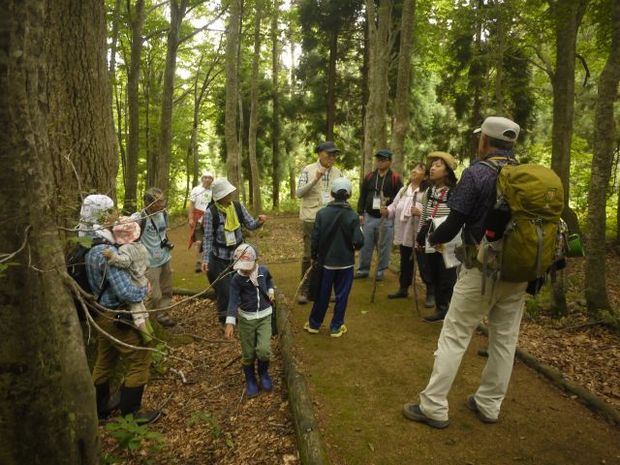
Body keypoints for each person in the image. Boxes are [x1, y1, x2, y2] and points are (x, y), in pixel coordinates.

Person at [402, 116, 524, 428]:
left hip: (481, 267)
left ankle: (432, 406)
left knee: (455, 334)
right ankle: (489, 405)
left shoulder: (477, 174)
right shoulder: (524, 173)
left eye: (479, 137)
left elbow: (454, 223)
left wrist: (433, 237)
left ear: (485, 140)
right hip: (519, 270)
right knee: (504, 340)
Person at [82, 195, 160, 425]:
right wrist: (143, 291)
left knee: (105, 360)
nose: (115, 215)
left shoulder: (87, 241)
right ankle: (132, 415)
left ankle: (100, 409)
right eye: (110, 211)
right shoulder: (104, 250)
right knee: (141, 356)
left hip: (100, 311)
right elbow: (125, 291)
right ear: (101, 215)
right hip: (117, 313)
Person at [303, 177, 364, 337]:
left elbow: (315, 238)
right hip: (345, 263)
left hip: (326, 262)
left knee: (322, 294)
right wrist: (354, 247)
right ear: (349, 195)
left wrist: (315, 256)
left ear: (332, 193)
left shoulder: (322, 214)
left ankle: (314, 325)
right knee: (341, 295)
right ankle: (336, 327)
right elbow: (358, 241)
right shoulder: (353, 216)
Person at [201, 178, 266, 324]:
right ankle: (226, 321)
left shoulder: (237, 207)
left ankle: (247, 314)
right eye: (227, 192)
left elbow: (250, 225)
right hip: (219, 258)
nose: (230, 194)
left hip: (239, 256)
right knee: (225, 291)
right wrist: (205, 259)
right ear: (219, 196)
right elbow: (207, 238)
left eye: (230, 191)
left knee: (244, 285)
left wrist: (259, 222)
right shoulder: (210, 213)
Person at [224, 243, 276, 398]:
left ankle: (263, 373)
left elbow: (269, 281)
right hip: (246, 319)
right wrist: (230, 322)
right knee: (248, 353)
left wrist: (271, 291)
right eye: (242, 266)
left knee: (264, 350)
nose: (245, 269)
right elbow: (232, 301)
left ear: (255, 261)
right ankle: (250, 379)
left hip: (265, 316)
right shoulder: (237, 279)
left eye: (248, 265)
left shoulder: (263, 271)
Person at [296, 141, 343, 304]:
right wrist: (315, 180)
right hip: (311, 218)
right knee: (309, 255)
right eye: (328, 153)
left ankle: (326, 289)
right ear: (319, 153)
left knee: (329, 255)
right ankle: (305, 288)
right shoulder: (308, 170)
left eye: (334, 154)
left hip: (331, 219)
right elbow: (299, 193)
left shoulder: (338, 173)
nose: (332, 157)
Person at [416, 152, 459, 323]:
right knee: (433, 272)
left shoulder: (454, 193)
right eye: (432, 165)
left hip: (448, 242)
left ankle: (450, 310)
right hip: (430, 238)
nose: (432, 168)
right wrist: (420, 237)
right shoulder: (429, 191)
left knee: (447, 277)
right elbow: (425, 215)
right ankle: (441, 309)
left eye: (438, 165)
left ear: (447, 171)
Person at [383, 162, 432, 301]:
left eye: (419, 169)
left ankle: (430, 292)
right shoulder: (404, 190)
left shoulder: (427, 192)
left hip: (419, 235)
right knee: (405, 262)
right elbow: (394, 205)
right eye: (414, 168)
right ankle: (403, 288)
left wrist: (420, 212)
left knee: (424, 263)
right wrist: (387, 211)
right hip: (404, 232)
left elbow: (432, 211)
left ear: (425, 176)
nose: (414, 171)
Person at [102, 216, 154, 343]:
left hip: (134, 282)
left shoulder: (125, 248)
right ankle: (151, 329)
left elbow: (125, 262)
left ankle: (146, 336)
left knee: (136, 311)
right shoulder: (141, 246)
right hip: (142, 280)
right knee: (142, 307)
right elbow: (147, 263)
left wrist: (112, 257)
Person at [356, 149, 403, 281]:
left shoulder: (395, 179)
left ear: (390, 161)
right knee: (366, 245)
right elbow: (363, 195)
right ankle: (363, 270)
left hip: (386, 218)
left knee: (384, 247)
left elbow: (400, 198)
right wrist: (360, 213)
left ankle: (380, 271)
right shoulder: (370, 177)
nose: (380, 162)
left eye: (383, 159)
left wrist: (388, 206)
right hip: (369, 216)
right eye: (378, 159)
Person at [135, 188, 176, 328]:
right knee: (154, 294)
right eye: (158, 202)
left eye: (162, 201)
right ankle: (149, 320)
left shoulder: (164, 214)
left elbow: (163, 232)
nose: (161, 205)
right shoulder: (139, 218)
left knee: (167, 290)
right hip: (149, 262)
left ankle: (162, 315)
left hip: (165, 258)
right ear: (147, 203)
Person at [188, 172, 214, 273]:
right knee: (198, 242)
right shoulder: (196, 190)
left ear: (212, 180)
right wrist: (190, 218)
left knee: (208, 240)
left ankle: (208, 261)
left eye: (210, 178)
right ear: (202, 179)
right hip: (198, 218)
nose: (207, 180)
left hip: (210, 219)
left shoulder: (214, 191)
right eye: (205, 178)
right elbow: (191, 205)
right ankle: (199, 262)